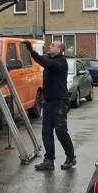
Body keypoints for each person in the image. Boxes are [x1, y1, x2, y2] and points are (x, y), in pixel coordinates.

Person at [24, 39, 76, 171]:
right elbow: (44, 60)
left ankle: (71, 158)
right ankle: (48, 160)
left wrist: (32, 52)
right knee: (46, 132)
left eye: (52, 45)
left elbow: (46, 63)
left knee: (61, 131)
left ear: (58, 50)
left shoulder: (61, 62)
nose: (49, 46)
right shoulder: (49, 59)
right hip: (48, 102)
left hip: (59, 102)